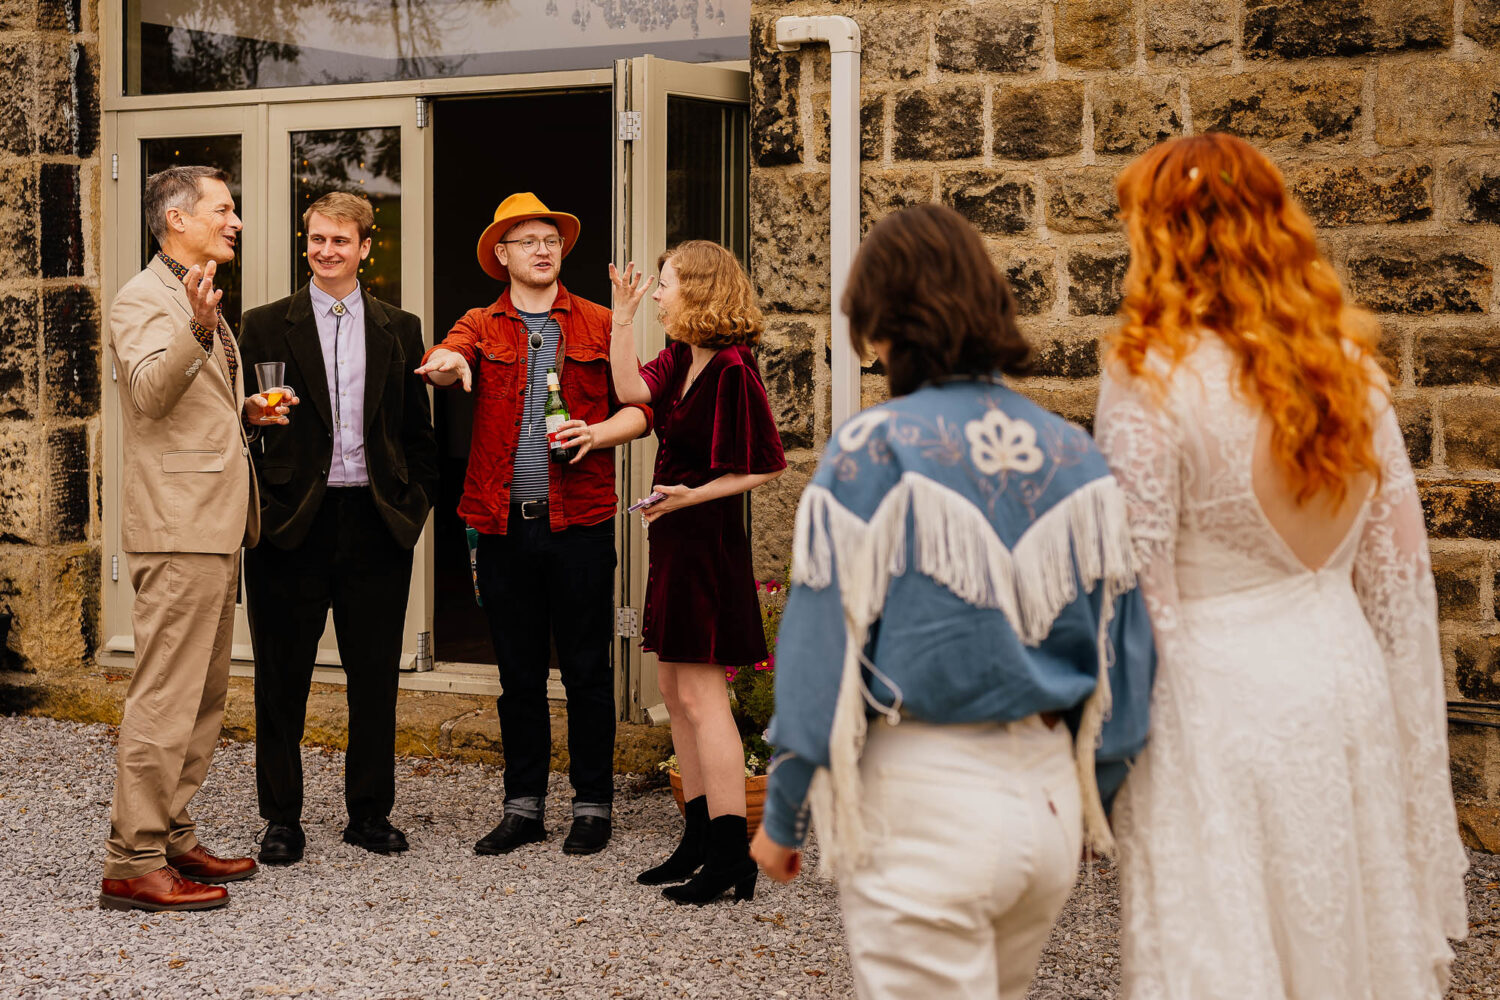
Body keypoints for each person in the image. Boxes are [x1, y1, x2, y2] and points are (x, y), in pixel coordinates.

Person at [1094, 134, 1469, 998]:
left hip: (1211, 703)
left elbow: (1133, 590)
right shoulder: (1350, 377)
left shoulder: (1151, 375)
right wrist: (1417, 768)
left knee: (1222, 953)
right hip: (1345, 687)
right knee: (1343, 934)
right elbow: (1403, 590)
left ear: (1165, 236)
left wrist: (1103, 753)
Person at [749, 204, 1156, 997]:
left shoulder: (874, 446)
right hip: (1044, 805)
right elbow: (1125, 656)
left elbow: (818, 649)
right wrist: (1088, 796)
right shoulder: (1076, 452)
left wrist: (782, 813)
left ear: (882, 323)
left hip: (923, 795)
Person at [414, 193, 651, 857]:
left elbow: (642, 409)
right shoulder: (481, 323)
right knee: (517, 674)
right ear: (502, 255)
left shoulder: (601, 321)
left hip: (579, 524)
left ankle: (592, 805)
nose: (542, 249)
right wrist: (450, 364)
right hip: (501, 526)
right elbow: (451, 353)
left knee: (586, 669)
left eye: (550, 239)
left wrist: (599, 433)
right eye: (527, 241)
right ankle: (523, 808)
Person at [101, 165, 289, 912]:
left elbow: (183, 406)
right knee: (166, 698)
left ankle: (173, 833)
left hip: (211, 524)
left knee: (203, 697)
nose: (235, 219)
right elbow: (148, 391)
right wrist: (198, 328)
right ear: (177, 219)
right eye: (224, 208)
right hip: (177, 529)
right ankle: (132, 859)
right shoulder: (146, 298)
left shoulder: (194, 295)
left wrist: (242, 413)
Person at [238, 192, 438, 864]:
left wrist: (411, 505)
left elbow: (417, 430)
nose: (328, 251)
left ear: (365, 249)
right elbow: (237, 419)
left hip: (376, 521)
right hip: (292, 523)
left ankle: (369, 814)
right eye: (317, 240)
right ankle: (282, 818)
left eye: (341, 242)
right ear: (306, 243)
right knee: (280, 677)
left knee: (374, 676)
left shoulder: (400, 327)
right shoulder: (263, 325)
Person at [607, 241, 787, 905]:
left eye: (663, 284)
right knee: (675, 693)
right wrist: (623, 318)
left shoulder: (734, 369)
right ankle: (695, 839)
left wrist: (689, 495)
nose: (656, 293)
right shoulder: (684, 355)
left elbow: (768, 464)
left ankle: (730, 855)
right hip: (674, 543)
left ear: (699, 289)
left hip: (707, 546)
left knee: (705, 700)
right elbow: (630, 392)